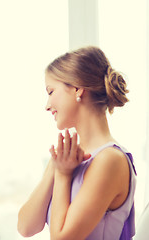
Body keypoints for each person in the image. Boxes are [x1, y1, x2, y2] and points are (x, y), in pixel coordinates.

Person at [17, 46, 136, 240]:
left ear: (77, 89)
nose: (47, 106)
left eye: (51, 91)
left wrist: (63, 175)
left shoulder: (110, 160)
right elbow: (25, 227)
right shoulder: (66, 157)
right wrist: (56, 167)